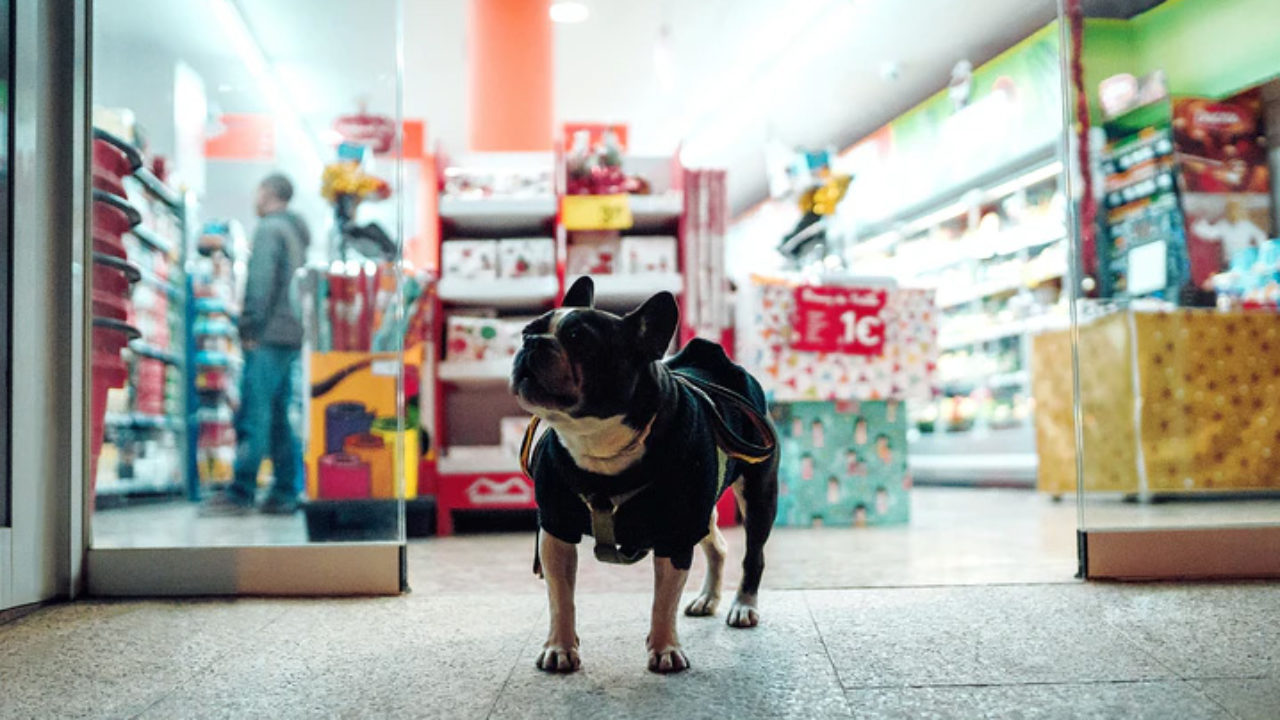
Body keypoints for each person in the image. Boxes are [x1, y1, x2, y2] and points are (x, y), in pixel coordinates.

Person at [203, 173, 309, 516]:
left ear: (268, 193)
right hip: (290, 334)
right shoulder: (295, 232)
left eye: (258, 190)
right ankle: (285, 492)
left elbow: (261, 283)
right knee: (279, 415)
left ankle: (242, 491)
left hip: (267, 334)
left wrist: (249, 325)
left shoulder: (269, 229)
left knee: (255, 414)